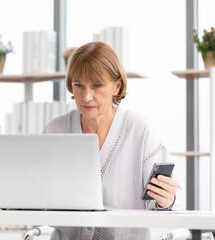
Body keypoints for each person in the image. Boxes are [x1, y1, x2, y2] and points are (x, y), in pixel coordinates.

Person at [42, 41, 184, 240]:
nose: (86, 96)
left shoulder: (139, 128)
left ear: (117, 86)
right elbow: (42, 196)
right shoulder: (55, 129)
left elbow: (164, 203)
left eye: (97, 85)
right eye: (78, 85)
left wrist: (166, 199)